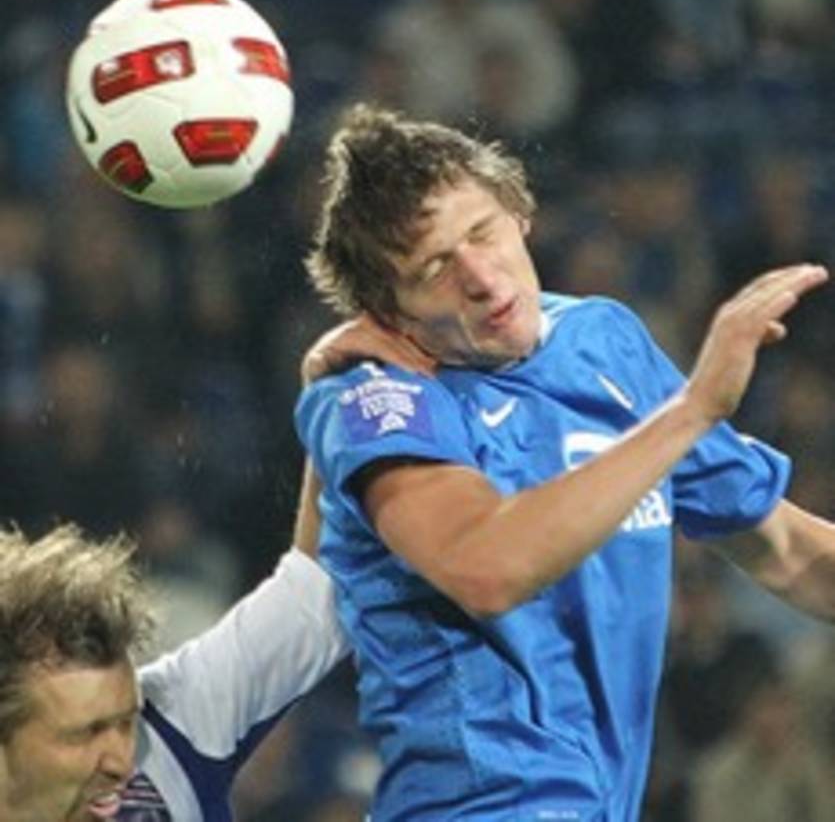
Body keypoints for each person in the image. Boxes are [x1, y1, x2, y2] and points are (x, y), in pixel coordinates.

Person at [296, 103, 835, 822]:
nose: (480, 277)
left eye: (482, 233)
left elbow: (785, 551)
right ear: (387, 312)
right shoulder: (380, 400)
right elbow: (485, 567)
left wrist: (683, 416)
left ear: (520, 213)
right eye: (434, 268)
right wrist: (691, 411)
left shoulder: (603, 343)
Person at [0, 321, 434, 822]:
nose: (120, 762)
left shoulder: (172, 725)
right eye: (83, 735)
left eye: (125, 722)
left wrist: (337, 407)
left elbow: (319, 589)